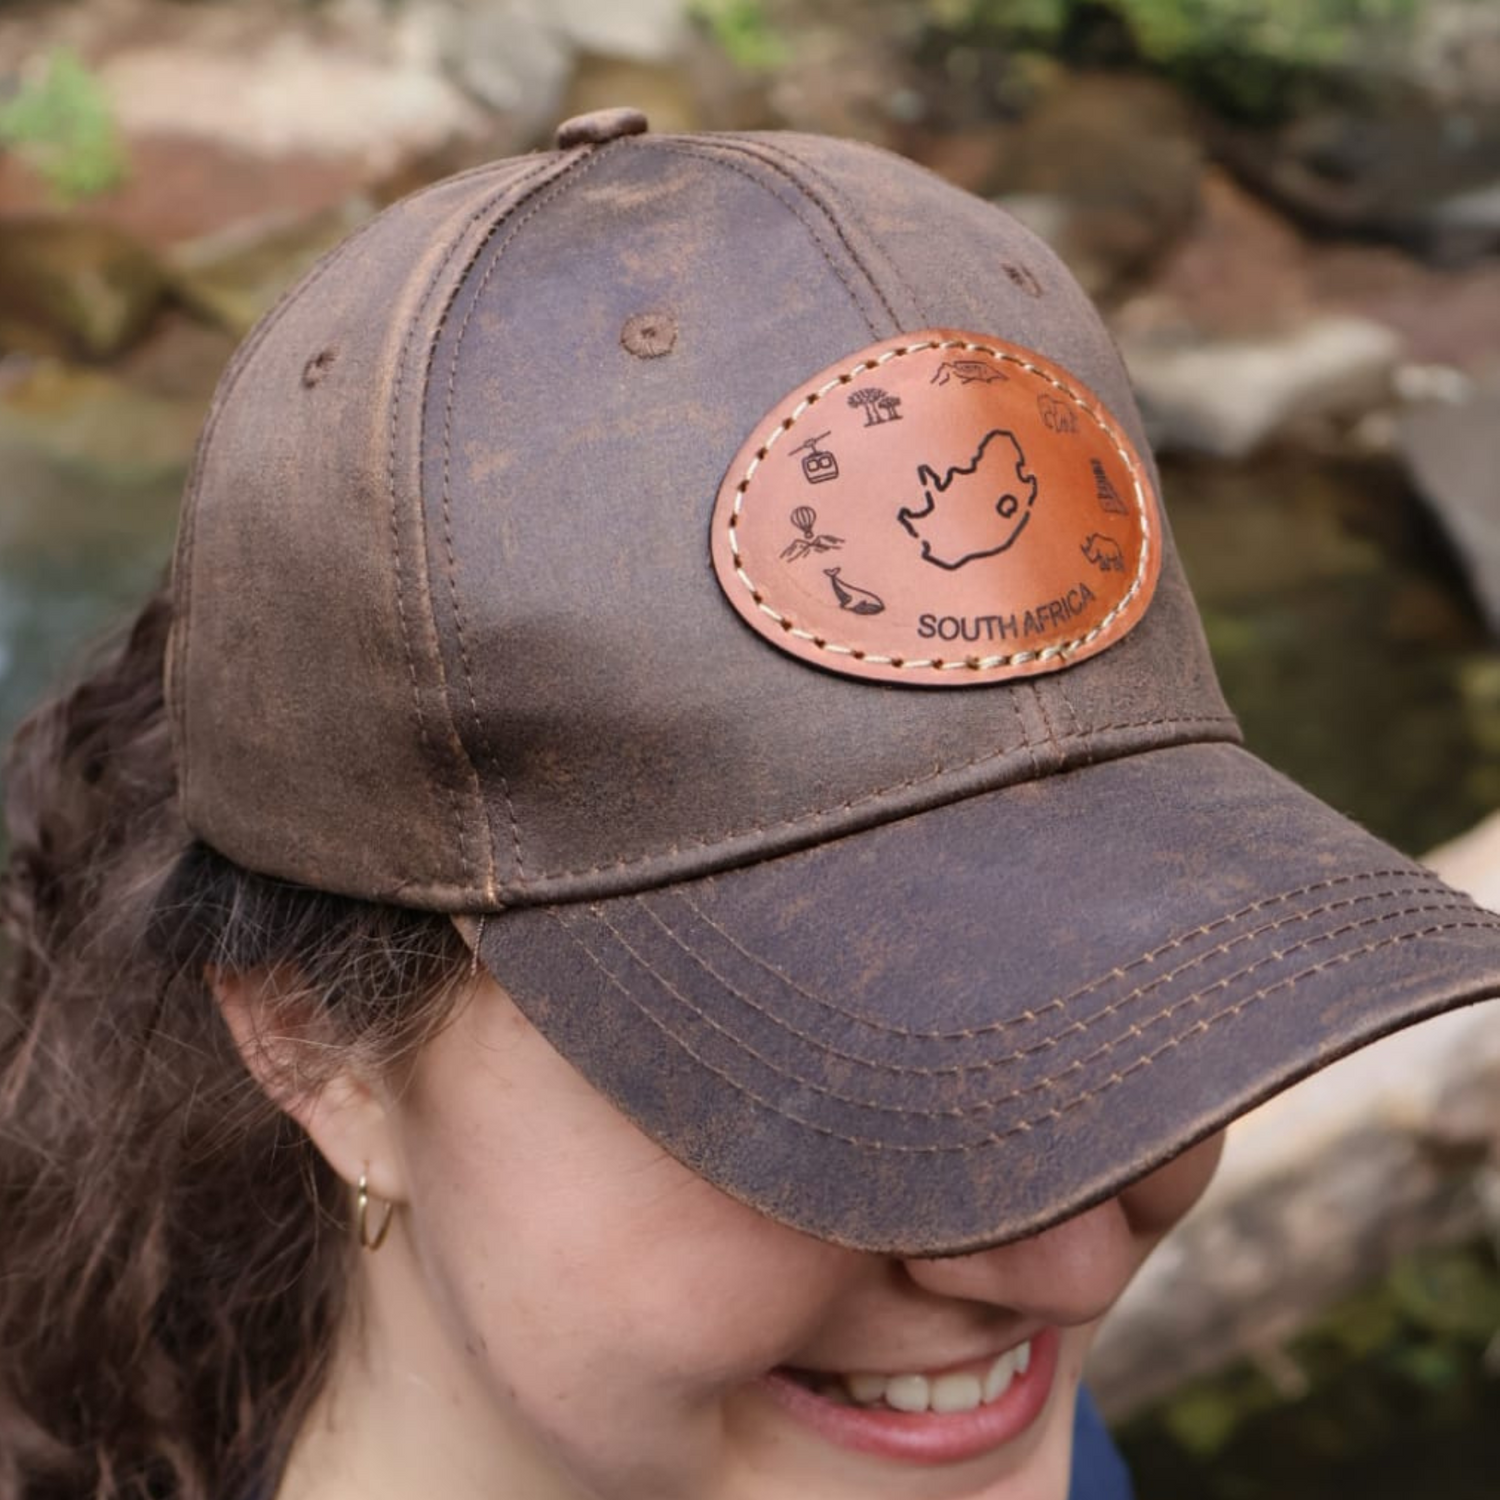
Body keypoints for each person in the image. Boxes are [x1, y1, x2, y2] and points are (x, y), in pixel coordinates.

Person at [2, 108, 1497, 1500]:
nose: (1072, 1268)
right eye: (837, 1082)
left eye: (1132, 995)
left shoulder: (996, 1436)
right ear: (316, 1044)